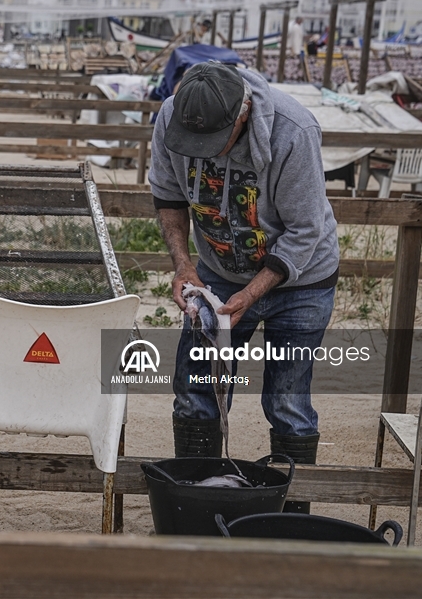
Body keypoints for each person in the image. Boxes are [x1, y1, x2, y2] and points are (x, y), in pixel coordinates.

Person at [148, 61, 339, 513]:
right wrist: (183, 266)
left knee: (287, 400)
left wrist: (251, 295)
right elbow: (168, 194)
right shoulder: (171, 116)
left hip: (301, 281)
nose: (205, 153)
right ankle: (194, 504)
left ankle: (291, 517)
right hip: (217, 272)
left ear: (242, 114)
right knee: (198, 391)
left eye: (213, 143)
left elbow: (304, 230)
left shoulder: (294, 131)